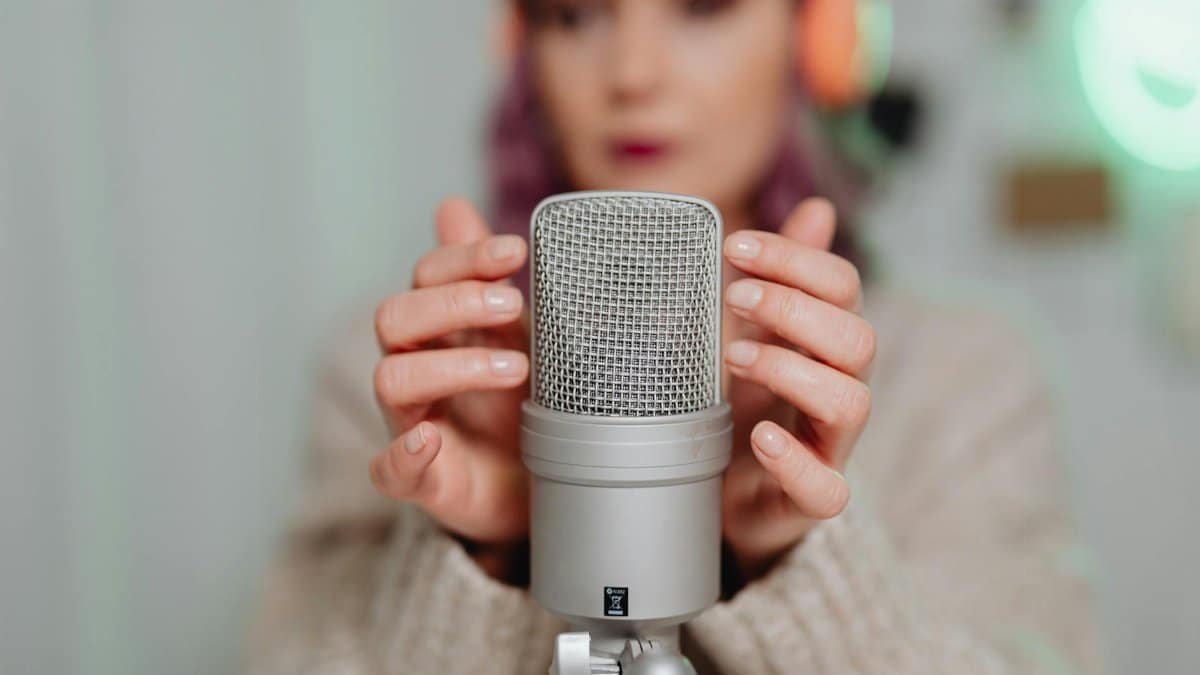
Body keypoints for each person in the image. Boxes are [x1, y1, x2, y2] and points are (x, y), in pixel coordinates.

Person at [246, 1, 1103, 673]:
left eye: (703, 4)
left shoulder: (966, 375)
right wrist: (491, 542)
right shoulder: (404, 372)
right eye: (574, 13)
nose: (633, 74)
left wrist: (794, 554)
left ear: (818, 33)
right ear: (523, 50)